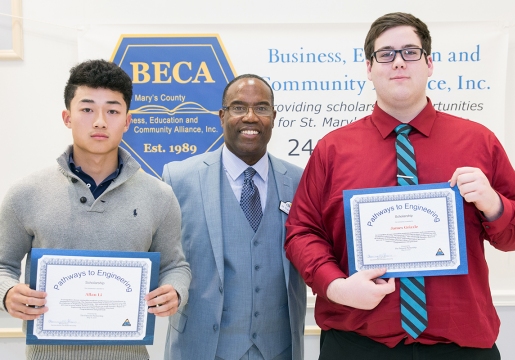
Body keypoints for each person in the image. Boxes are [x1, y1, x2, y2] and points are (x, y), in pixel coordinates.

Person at [285, 12, 515, 360]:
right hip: (357, 345)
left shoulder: (478, 142)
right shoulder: (333, 149)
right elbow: (301, 231)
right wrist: (337, 286)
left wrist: (494, 204)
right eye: (385, 54)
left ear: (430, 63)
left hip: (461, 347)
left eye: (410, 52)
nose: (399, 62)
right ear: (370, 68)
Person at [0, 59, 191, 360]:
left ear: (127, 121)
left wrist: (175, 291)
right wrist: (8, 293)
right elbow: (2, 266)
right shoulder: (26, 193)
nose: (100, 121)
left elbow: (175, 266)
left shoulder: (159, 196)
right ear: (67, 117)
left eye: (113, 111)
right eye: (87, 109)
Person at [162, 74, 306, 360]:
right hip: (201, 348)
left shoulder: (299, 180)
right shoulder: (179, 179)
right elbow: (164, 259)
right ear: (222, 116)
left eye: (262, 108)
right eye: (239, 107)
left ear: (274, 116)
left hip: (279, 349)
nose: (250, 117)